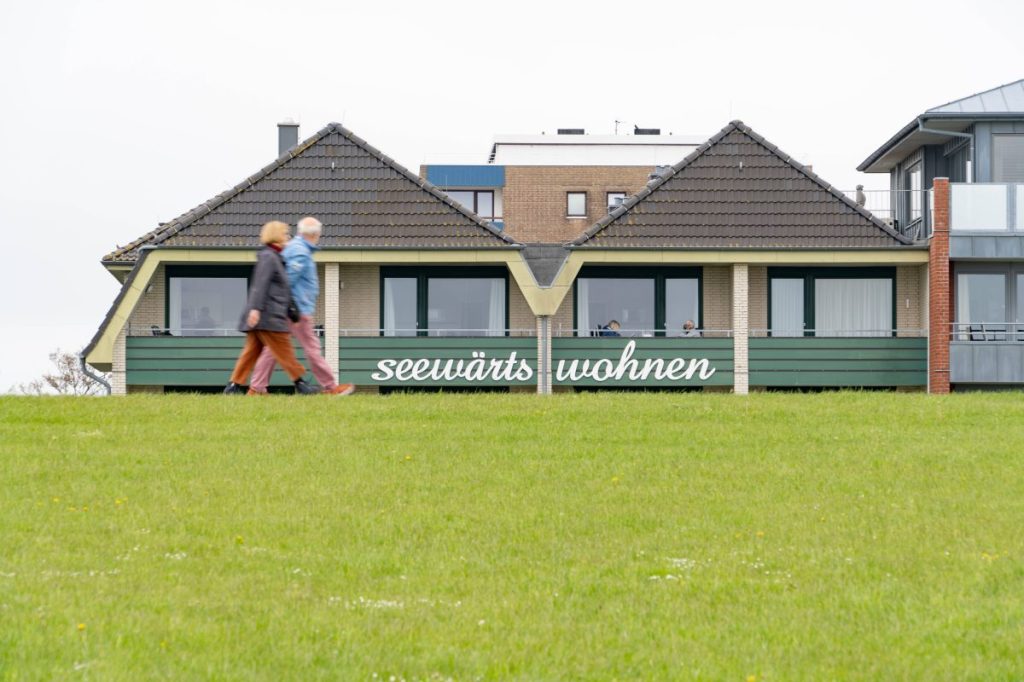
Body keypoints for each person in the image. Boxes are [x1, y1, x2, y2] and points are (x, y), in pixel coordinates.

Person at [247, 216, 355, 396]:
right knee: (311, 348)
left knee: (274, 348)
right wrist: (292, 308)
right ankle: (330, 387)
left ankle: (257, 388)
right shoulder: (300, 252)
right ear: (315, 234)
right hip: (297, 311)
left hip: (289, 309)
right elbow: (286, 281)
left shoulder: (294, 248)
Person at [224, 221, 319, 395]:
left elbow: (282, 288)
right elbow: (260, 284)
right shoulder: (269, 257)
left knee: (250, 353)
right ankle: (301, 384)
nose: (288, 237)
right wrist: (256, 309)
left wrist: (293, 311)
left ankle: (233, 386)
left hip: (263, 315)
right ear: (276, 235)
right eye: (285, 234)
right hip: (268, 316)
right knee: (285, 350)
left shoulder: (275, 257)